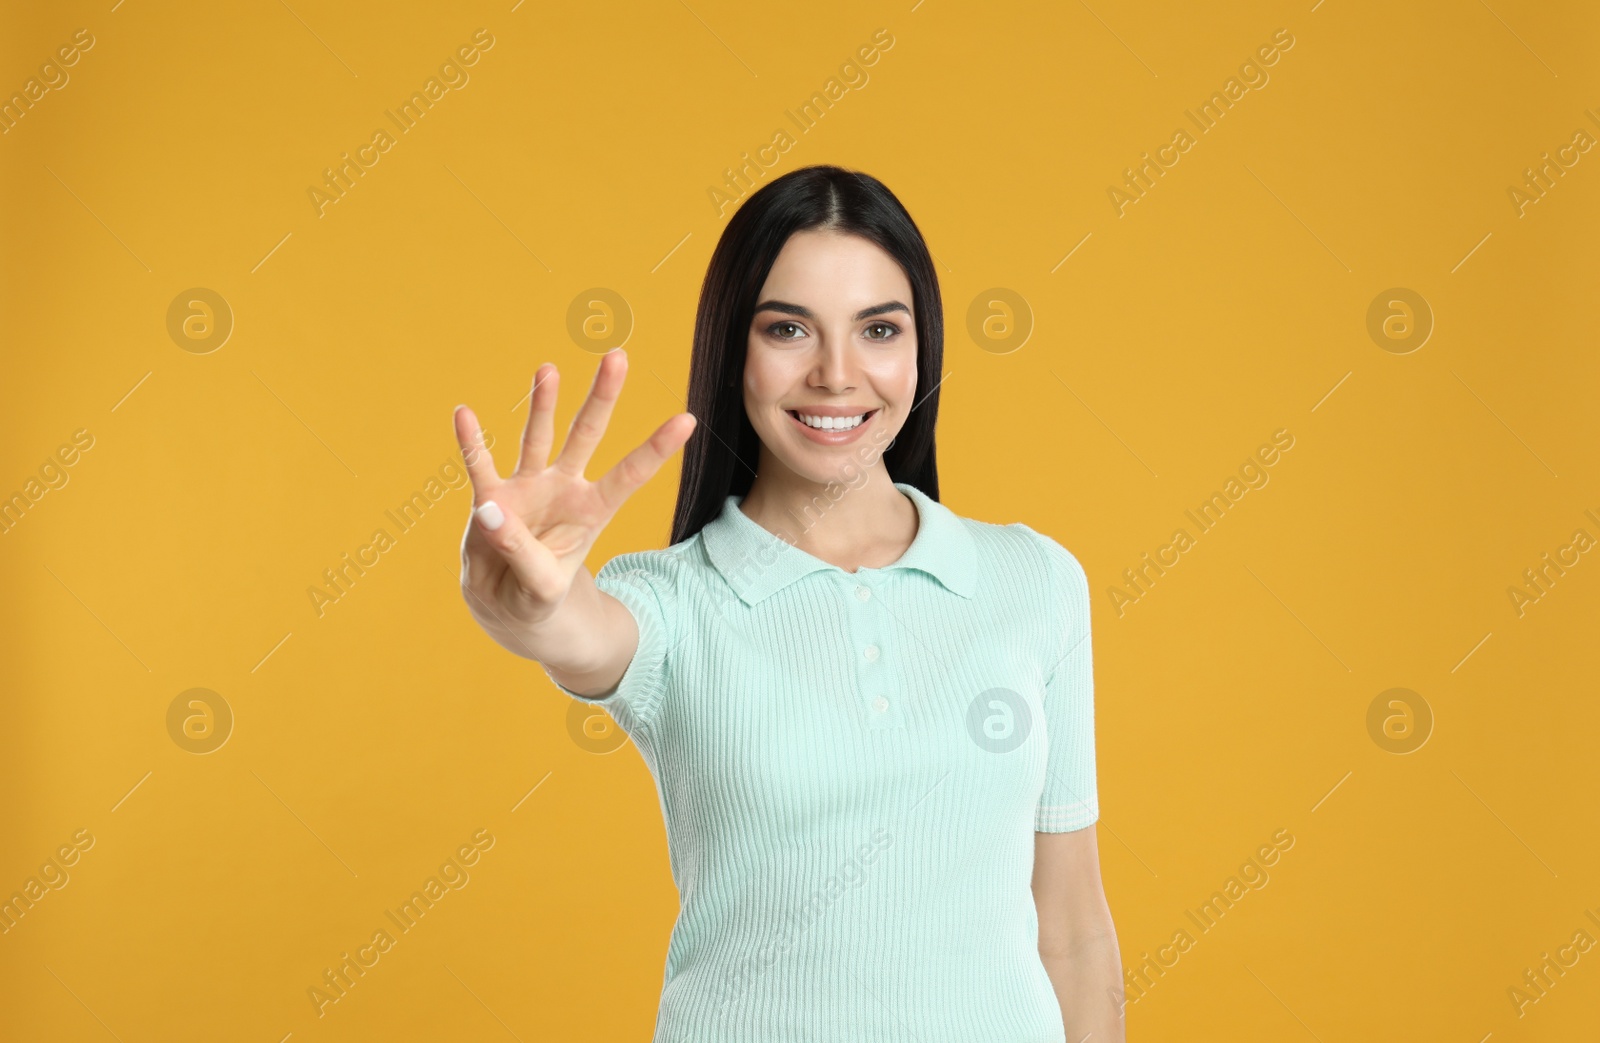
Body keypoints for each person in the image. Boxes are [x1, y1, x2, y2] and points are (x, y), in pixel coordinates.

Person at [453, 165, 1123, 1042]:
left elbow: (1072, 931)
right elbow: (575, 627)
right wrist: (517, 598)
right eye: (788, 330)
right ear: (734, 349)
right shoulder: (669, 604)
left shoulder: (1032, 580)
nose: (837, 374)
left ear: (922, 349)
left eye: (879, 328)